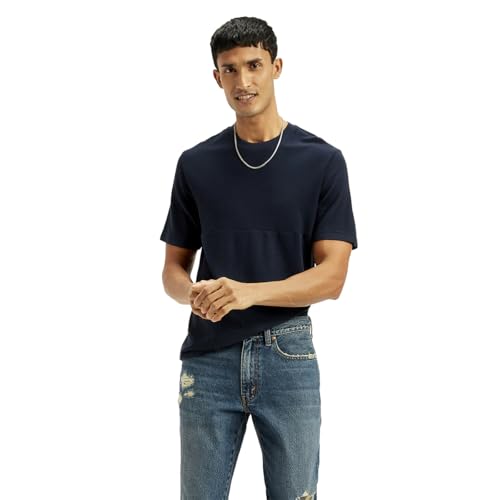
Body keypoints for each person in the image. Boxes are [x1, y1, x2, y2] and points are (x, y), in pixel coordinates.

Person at [160, 16, 357, 500]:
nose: (242, 81)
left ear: (276, 67)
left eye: (254, 65)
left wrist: (247, 293)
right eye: (230, 69)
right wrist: (195, 294)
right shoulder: (195, 163)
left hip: (288, 353)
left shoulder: (322, 161)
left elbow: (332, 277)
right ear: (217, 77)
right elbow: (172, 271)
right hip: (208, 359)